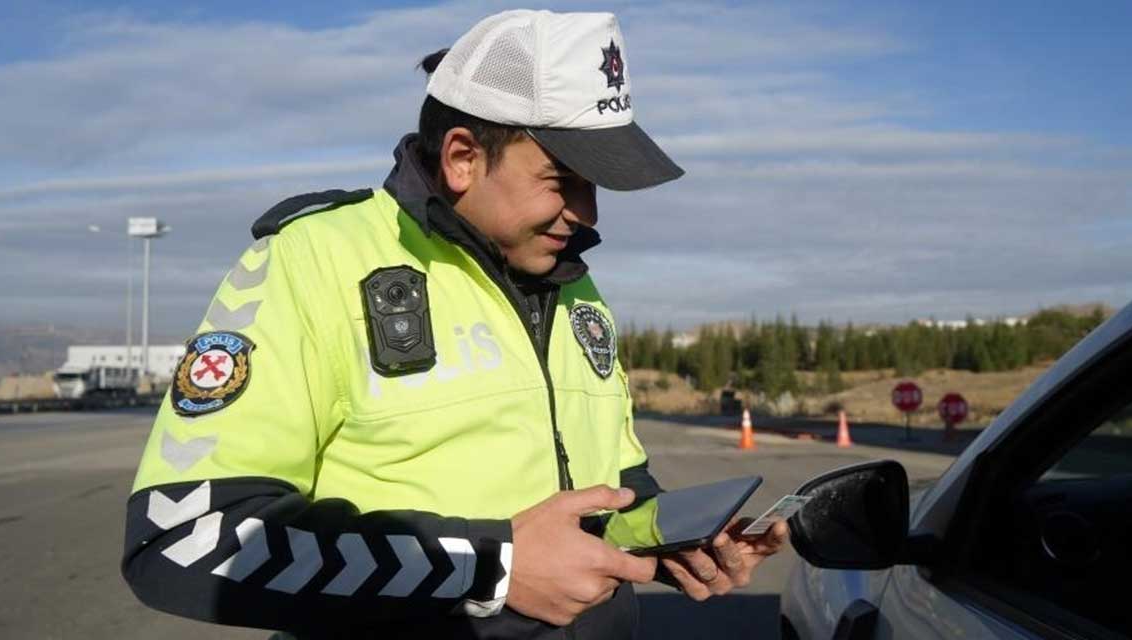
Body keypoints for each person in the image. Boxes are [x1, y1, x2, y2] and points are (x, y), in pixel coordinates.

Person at [122, 9, 786, 639]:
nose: (587, 214)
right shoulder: (311, 260)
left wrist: (674, 542)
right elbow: (183, 535)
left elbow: (615, 484)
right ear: (463, 158)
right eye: (563, 181)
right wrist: (486, 567)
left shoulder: (574, 283)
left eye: (597, 187)